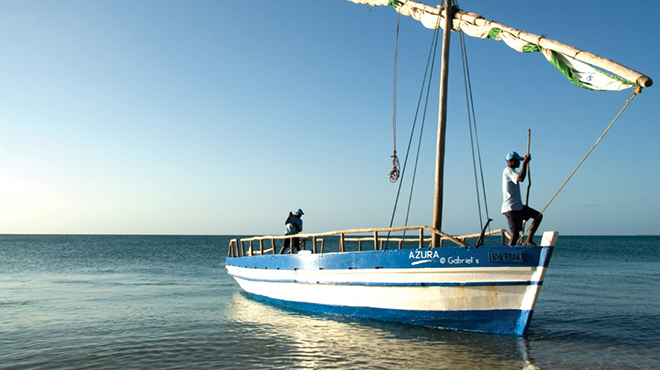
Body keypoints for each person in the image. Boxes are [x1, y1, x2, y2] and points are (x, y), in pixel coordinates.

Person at [502, 151, 543, 245]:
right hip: (511, 208)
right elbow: (520, 179)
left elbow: (520, 177)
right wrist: (525, 163)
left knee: (538, 216)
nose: (519, 163)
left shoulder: (512, 171)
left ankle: (528, 240)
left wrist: (525, 163)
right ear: (511, 161)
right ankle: (509, 253)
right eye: (518, 161)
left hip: (518, 207)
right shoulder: (508, 170)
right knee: (515, 234)